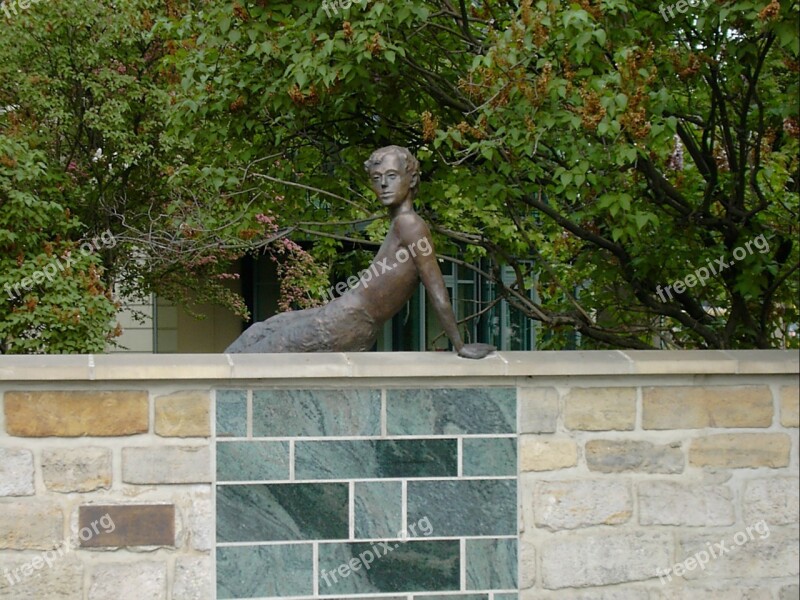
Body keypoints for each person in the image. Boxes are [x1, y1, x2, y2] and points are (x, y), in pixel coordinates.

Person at [225, 145, 495, 359]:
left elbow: (436, 288)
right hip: (341, 312)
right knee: (261, 331)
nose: (384, 185)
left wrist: (459, 345)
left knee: (265, 347)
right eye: (377, 179)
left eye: (391, 177)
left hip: (351, 321)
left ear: (411, 179)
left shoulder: (410, 224)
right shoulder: (400, 223)